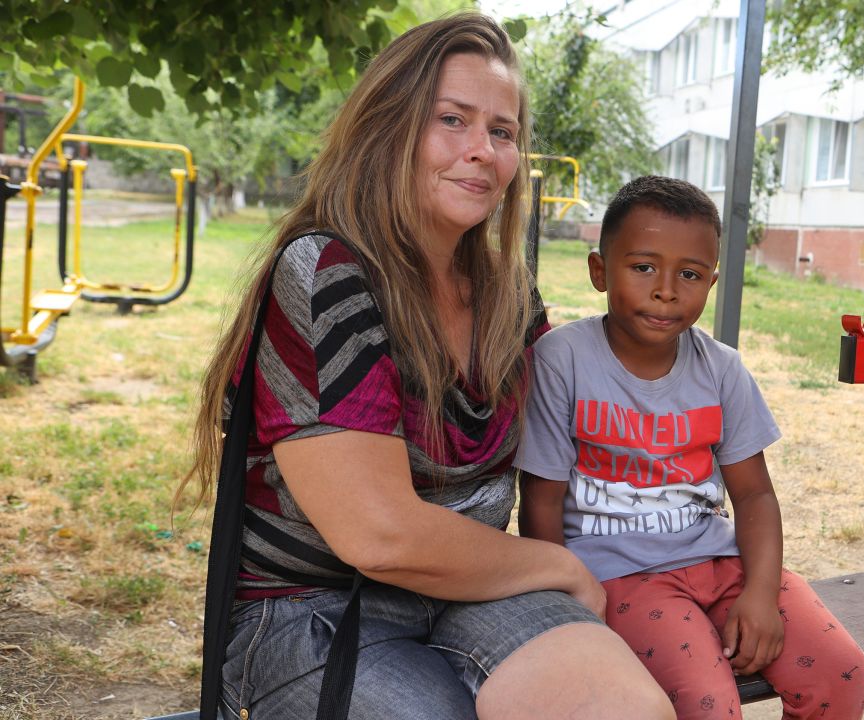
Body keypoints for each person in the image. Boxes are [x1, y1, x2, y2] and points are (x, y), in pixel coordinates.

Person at [180, 14, 674, 720]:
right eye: (452, 120)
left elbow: (586, 436)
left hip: (473, 586)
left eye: (502, 132)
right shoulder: (326, 271)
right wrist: (560, 569)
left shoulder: (510, 292)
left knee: (626, 709)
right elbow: (378, 535)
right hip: (311, 607)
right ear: (392, 126)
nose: (482, 151)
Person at [516, 176, 864, 720]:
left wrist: (759, 595)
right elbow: (540, 501)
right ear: (599, 270)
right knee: (707, 705)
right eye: (642, 267)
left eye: (688, 274)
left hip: (722, 562)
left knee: (842, 674)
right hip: (620, 577)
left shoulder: (722, 369)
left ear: (710, 281)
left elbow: (754, 497)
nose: (666, 289)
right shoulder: (562, 360)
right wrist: (563, 611)